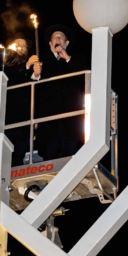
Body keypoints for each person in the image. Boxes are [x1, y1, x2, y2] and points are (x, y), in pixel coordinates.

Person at [29, 24, 86, 161]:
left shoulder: (75, 59)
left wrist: (67, 58)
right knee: (50, 155)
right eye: (55, 37)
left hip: (71, 119)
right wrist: (35, 75)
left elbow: (83, 78)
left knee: (70, 157)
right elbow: (33, 90)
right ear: (50, 43)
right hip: (49, 119)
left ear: (66, 43)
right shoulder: (41, 62)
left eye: (61, 37)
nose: (58, 39)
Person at [2, 34, 38, 166]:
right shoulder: (4, 63)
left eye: (24, 46)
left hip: (25, 117)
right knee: (6, 152)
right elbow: (9, 76)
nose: (22, 48)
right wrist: (27, 65)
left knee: (21, 151)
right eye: (18, 45)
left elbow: (35, 91)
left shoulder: (30, 67)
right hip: (8, 116)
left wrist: (36, 73)